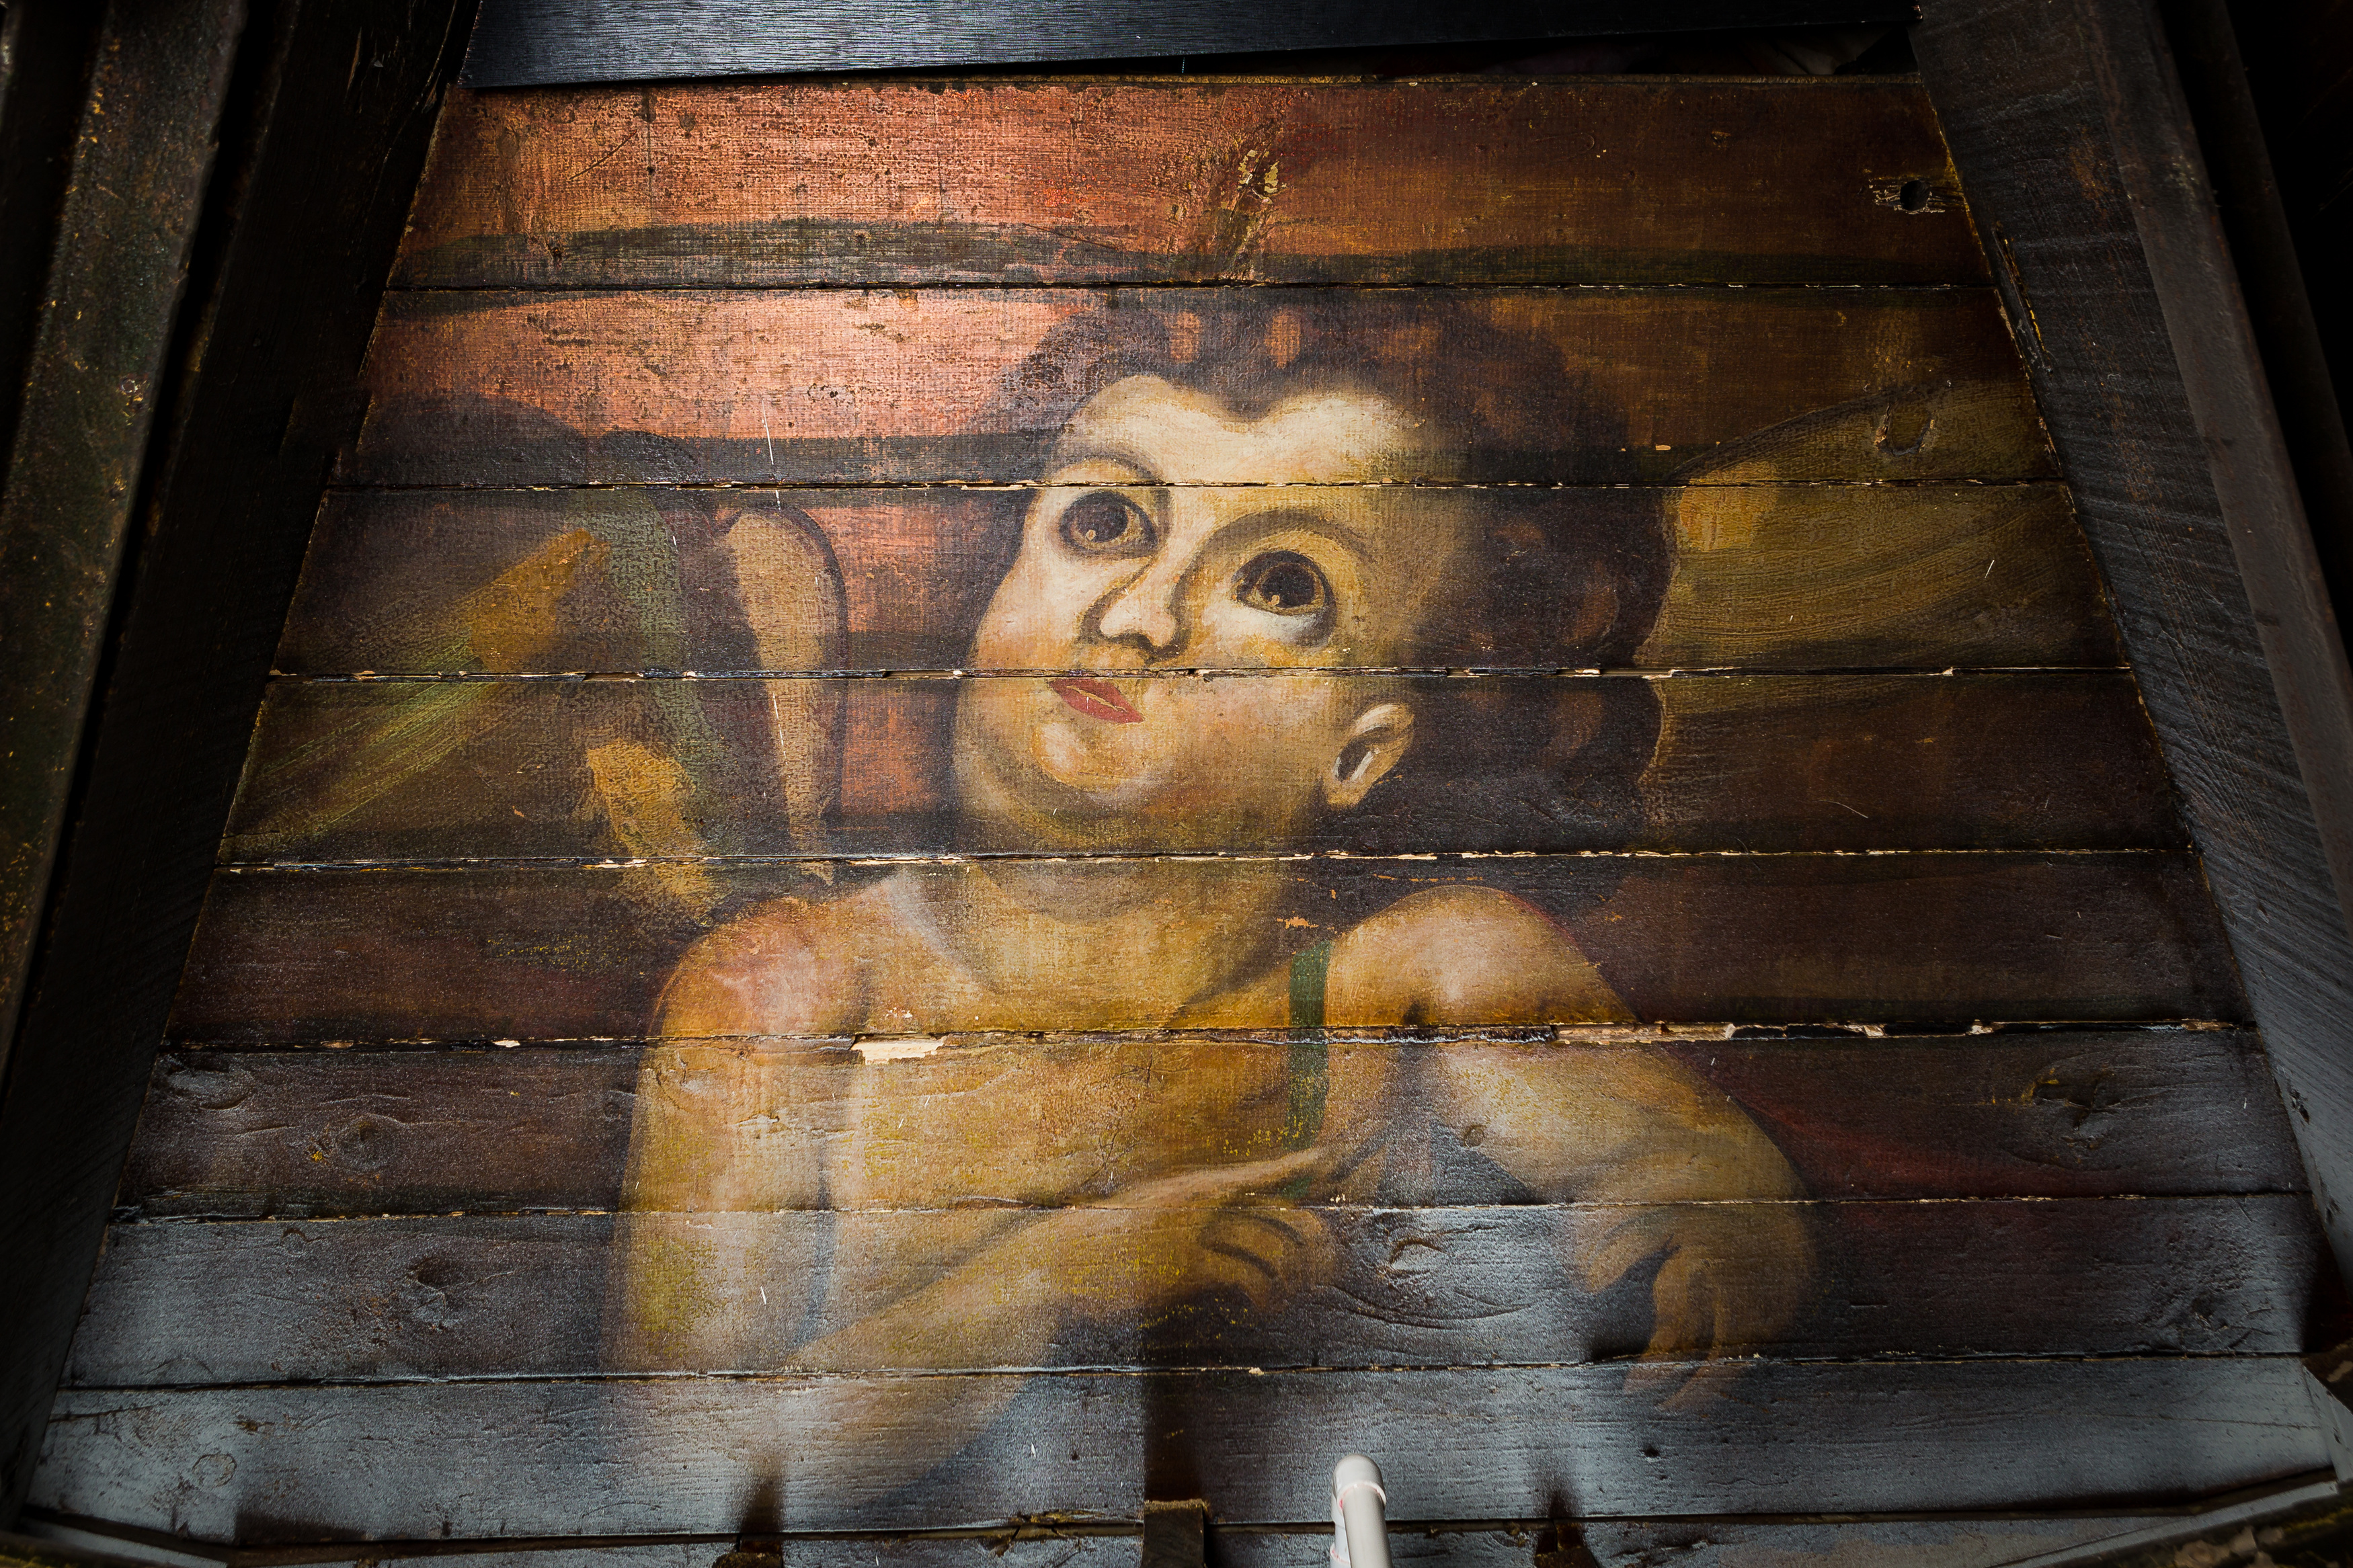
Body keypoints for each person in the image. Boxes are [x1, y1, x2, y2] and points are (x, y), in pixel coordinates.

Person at [604, 298, 1811, 1502]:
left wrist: (1727, 1217)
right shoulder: (787, 988)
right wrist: (1055, 1276)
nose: (1141, 616)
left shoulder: (1406, 979)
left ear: (1363, 747)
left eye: (1280, 583)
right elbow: (683, 1465)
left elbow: (1674, 1157)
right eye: (1106, 520)